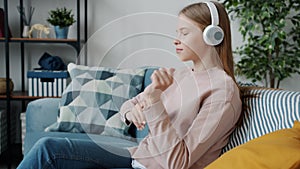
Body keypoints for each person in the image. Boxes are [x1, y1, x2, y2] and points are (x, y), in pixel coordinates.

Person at [17, 1, 242, 169]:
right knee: (49, 148)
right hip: (137, 157)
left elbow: (178, 162)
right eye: (176, 33)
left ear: (212, 36)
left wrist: (154, 102)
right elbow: (129, 105)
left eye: (184, 33)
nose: (175, 40)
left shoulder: (222, 92)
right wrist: (131, 112)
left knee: (49, 153)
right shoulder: (179, 75)